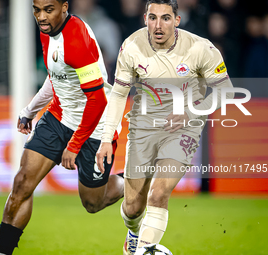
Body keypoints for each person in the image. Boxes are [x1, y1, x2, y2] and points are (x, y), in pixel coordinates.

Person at [96, 0, 234, 254]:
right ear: (145, 19)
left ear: (177, 20)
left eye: (165, 18)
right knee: (132, 207)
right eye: (152, 17)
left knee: (159, 193)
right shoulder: (132, 47)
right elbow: (118, 95)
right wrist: (107, 139)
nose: (158, 25)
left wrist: (191, 112)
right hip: (143, 127)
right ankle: (134, 234)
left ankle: (146, 250)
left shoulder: (201, 48)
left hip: (183, 129)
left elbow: (225, 91)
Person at [0, 0, 124, 254]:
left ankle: (129, 181)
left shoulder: (75, 40)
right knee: (22, 183)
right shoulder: (48, 32)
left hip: (95, 125)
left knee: (92, 204)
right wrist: (29, 111)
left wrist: (74, 145)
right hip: (59, 117)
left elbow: (97, 101)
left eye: (48, 10)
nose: (41, 17)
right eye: (36, 9)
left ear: (64, 7)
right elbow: (54, 77)